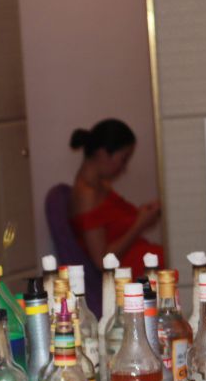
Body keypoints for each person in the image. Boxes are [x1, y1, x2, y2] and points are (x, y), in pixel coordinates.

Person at [69, 118, 164, 277]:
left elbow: (115, 226)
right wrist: (140, 224)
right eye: (123, 159)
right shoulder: (87, 195)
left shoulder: (101, 185)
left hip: (143, 260)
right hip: (128, 274)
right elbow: (102, 261)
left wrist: (145, 214)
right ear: (103, 153)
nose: (124, 168)